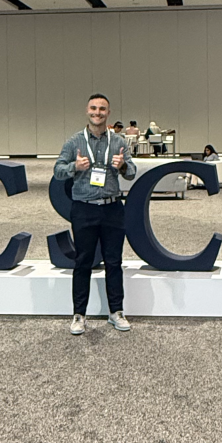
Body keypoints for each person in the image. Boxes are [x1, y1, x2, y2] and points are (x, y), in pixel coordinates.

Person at [54, 93, 136, 336]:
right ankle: (79, 314)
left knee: (114, 262)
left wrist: (122, 166)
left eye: (102, 109)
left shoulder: (118, 141)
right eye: (93, 108)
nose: (97, 112)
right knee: (83, 262)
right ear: (87, 111)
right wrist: (74, 167)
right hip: (84, 208)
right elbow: (58, 170)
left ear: (108, 113)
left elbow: (132, 172)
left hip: (112, 208)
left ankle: (116, 311)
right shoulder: (74, 142)